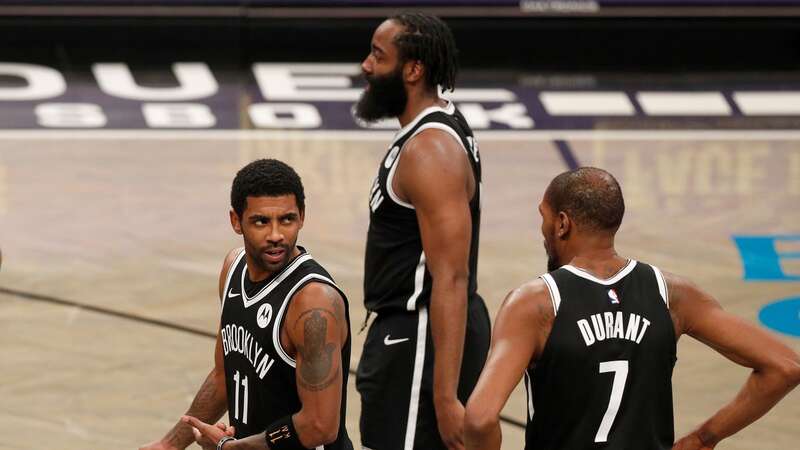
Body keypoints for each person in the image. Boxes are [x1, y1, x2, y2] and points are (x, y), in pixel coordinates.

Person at [463, 167, 800, 450]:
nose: (543, 229)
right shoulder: (672, 294)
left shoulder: (535, 303)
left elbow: (479, 419)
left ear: (563, 224)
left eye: (544, 218)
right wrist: (703, 438)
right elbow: (785, 366)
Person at [140, 159, 353, 450]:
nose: (276, 235)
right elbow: (223, 376)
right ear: (236, 221)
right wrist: (171, 444)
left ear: (302, 217)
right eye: (261, 221)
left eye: (287, 219)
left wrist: (231, 447)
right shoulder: (233, 268)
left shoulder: (313, 302)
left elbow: (319, 426)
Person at [354, 11, 490, 450]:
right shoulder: (430, 133)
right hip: (412, 334)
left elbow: (451, 276)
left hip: (422, 338)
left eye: (379, 56)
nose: (366, 66)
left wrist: (445, 395)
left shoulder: (430, 150)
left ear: (413, 70)